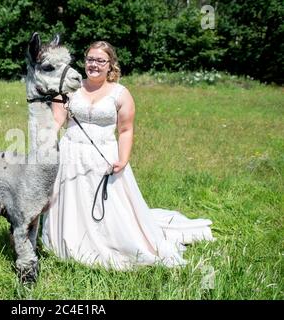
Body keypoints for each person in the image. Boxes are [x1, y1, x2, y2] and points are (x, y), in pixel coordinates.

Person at [41, 41, 214, 270]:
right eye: (90, 59)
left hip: (105, 157)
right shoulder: (68, 88)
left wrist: (123, 159)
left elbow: (125, 130)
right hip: (71, 154)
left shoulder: (120, 93)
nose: (94, 65)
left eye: (100, 60)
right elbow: (56, 120)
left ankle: (113, 244)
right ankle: (68, 243)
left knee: (112, 210)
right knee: (71, 202)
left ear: (110, 64)